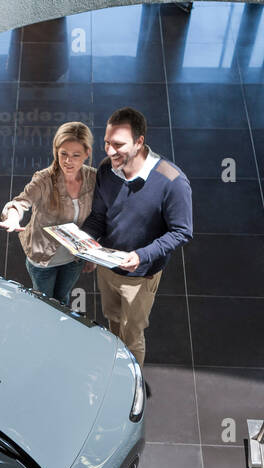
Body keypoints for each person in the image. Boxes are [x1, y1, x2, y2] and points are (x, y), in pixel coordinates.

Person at [81, 107, 193, 367]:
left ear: (140, 141)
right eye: (107, 142)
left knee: (132, 336)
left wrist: (141, 256)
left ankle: (130, 388)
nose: (109, 151)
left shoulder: (173, 181)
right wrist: (85, 243)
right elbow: (99, 216)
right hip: (107, 265)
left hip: (140, 277)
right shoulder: (107, 170)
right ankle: (113, 368)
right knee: (113, 322)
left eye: (118, 144)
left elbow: (181, 231)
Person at [0, 121, 96, 307]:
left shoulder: (93, 178)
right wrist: (12, 216)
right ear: (56, 150)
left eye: (76, 155)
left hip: (74, 258)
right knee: (43, 304)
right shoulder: (44, 179)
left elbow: (99, 217)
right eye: (63, 154)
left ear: (86, 154)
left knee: (62, 300)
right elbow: (19, 202)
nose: (68, 161)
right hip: (43, 259)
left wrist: (92, 255)